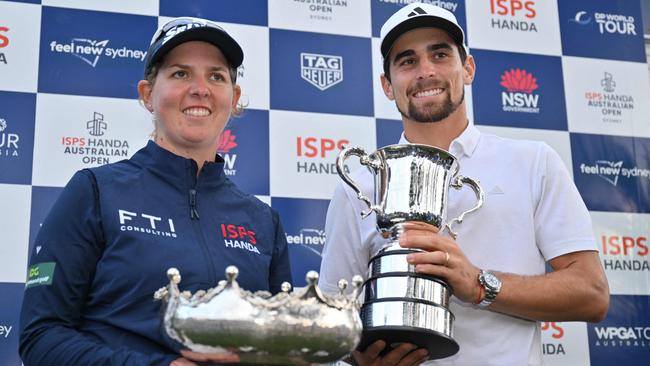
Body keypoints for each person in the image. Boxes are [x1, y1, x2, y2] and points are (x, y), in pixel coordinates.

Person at [319, 3, 609, 365]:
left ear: (467, 68)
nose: (426, 71)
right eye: (407, 61)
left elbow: (592, 293)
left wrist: (479, 284)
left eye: (440, 54)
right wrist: (356, 358)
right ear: (387, 85)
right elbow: (333, 316)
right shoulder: (359, 183)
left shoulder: (533, 162)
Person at [19, 17, 292, 366]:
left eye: (216, 76)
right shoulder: (95, 191)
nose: (200, 88)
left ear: (234, 98)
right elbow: (41, 337)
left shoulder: (262, 221)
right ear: (148, 94)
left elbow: (280, 350)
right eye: (180, 74)